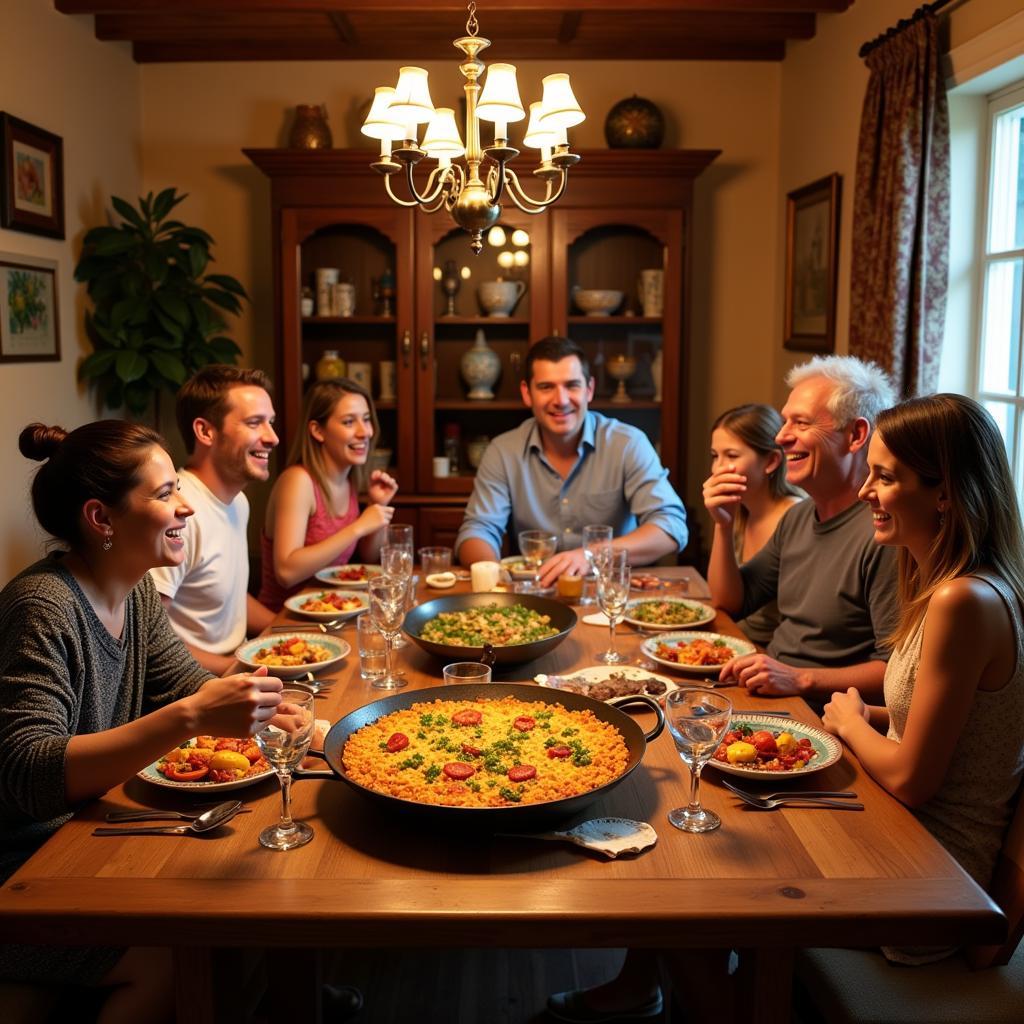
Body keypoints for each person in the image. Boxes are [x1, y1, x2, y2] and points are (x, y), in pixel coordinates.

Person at [0, 420, 282, 1022]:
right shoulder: (43, 607)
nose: (184, 507)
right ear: (101, 519)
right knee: (187, 953)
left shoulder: (133, 594)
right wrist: (190, 717)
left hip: (88, 839)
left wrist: (278, 712)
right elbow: (26, 772)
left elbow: (191, 686)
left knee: (247, 892)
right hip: (22, 869)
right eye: (163, 495)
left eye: (177, 487)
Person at [822, 394, 1024, 963]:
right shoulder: (945, 582)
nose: (864, 492)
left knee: (710, 904)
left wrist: (848, 722)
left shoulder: (965, 601)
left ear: (945, 494)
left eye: (884, 477)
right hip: (898, 836)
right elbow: (951, 726)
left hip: (929, 880)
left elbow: (913, 778)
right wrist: (868, 718)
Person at [705, 355, 899, 701]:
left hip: (820, 716)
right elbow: (729, 601)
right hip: (770, 693)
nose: (781, 437)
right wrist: (723, 524)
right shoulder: (798, 518)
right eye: (784, 423)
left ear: (855, 435)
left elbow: (897, 671)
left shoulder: (885, 533)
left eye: (801, 423)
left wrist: (801, 679)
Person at [455, 337, 687, 585]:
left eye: (572, 386)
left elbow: (671, 527)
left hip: (611, 595)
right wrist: (493, 577)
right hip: (534, 594)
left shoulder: (628, 444)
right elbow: (477, 531)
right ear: (527, 393)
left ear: (589, 390)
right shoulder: (502, 451)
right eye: (546, 387)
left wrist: (592, 555)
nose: (561, 400)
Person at [150, 365, 279, 674]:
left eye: (271, 423)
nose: (272, 437)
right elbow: (150, 635)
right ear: (205, 431)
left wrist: (288, 629)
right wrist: (232, 669)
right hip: (195, 684)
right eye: (254, 423)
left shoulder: (238, 502)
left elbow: (228, 595)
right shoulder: (180, 513)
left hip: (239, 658)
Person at [259, 377, 398, 610]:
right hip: (285, 622)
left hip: (332, 611)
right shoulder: (298, 481)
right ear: (317, 430)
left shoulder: (349, 478)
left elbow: (369, 555)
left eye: (366, 419)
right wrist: (359, 527)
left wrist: (377, 507)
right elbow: (286, 572)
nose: (365, 432)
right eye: (348, 422)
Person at [708, 403, 803, 645]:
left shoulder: (795, 516)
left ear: (771, 461)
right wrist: (722, 525)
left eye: (731, 455)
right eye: (714, 456)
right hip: (735, 638)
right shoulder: (738, 511)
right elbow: (722, 600)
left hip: (770, 655)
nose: (718, 468)